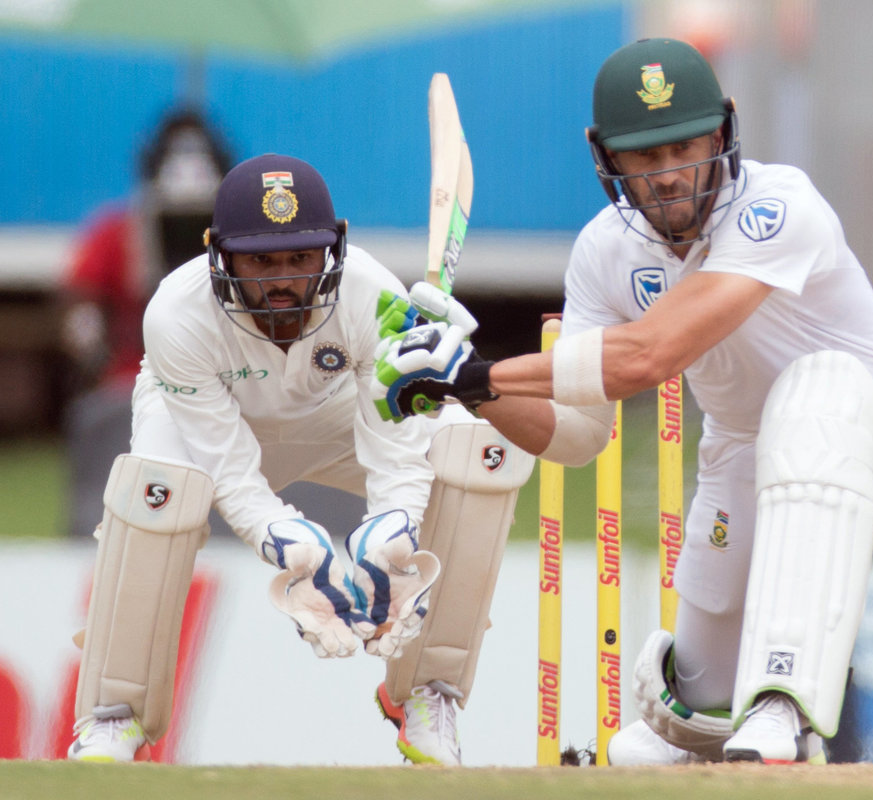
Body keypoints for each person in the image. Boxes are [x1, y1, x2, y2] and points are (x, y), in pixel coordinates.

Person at [373, 38, 873, 765]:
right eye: (644, 156)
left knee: (813, 399)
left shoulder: (777, 205)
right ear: (605, 156)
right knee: (674, 735)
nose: (668, 174)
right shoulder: (603, 251)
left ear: (723, 133)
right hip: (744, 453)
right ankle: (722, 726)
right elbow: (577, 435)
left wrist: (486, 370)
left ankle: (782, 702)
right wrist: (468, 386)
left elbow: (650, 355)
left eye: (684, 147)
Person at [67, 153, 532, 766]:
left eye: (300, 258)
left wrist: (394, 527)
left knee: (475, 455)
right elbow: (227, 464)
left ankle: (428, 693)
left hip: (334, 415)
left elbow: (397, 436)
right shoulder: (176, 313)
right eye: (261, 261)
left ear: (332, 249)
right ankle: (114, 714)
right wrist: (284, 539)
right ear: (219, 255)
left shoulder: (374, 297)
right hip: (213, 421)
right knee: (156, 490)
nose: (282, 280)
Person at [59, 108, 235, 538]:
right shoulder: (117, 232)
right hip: (132, 379)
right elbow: (78, 305)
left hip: (227, 377)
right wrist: (94, 353)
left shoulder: (240, 235)